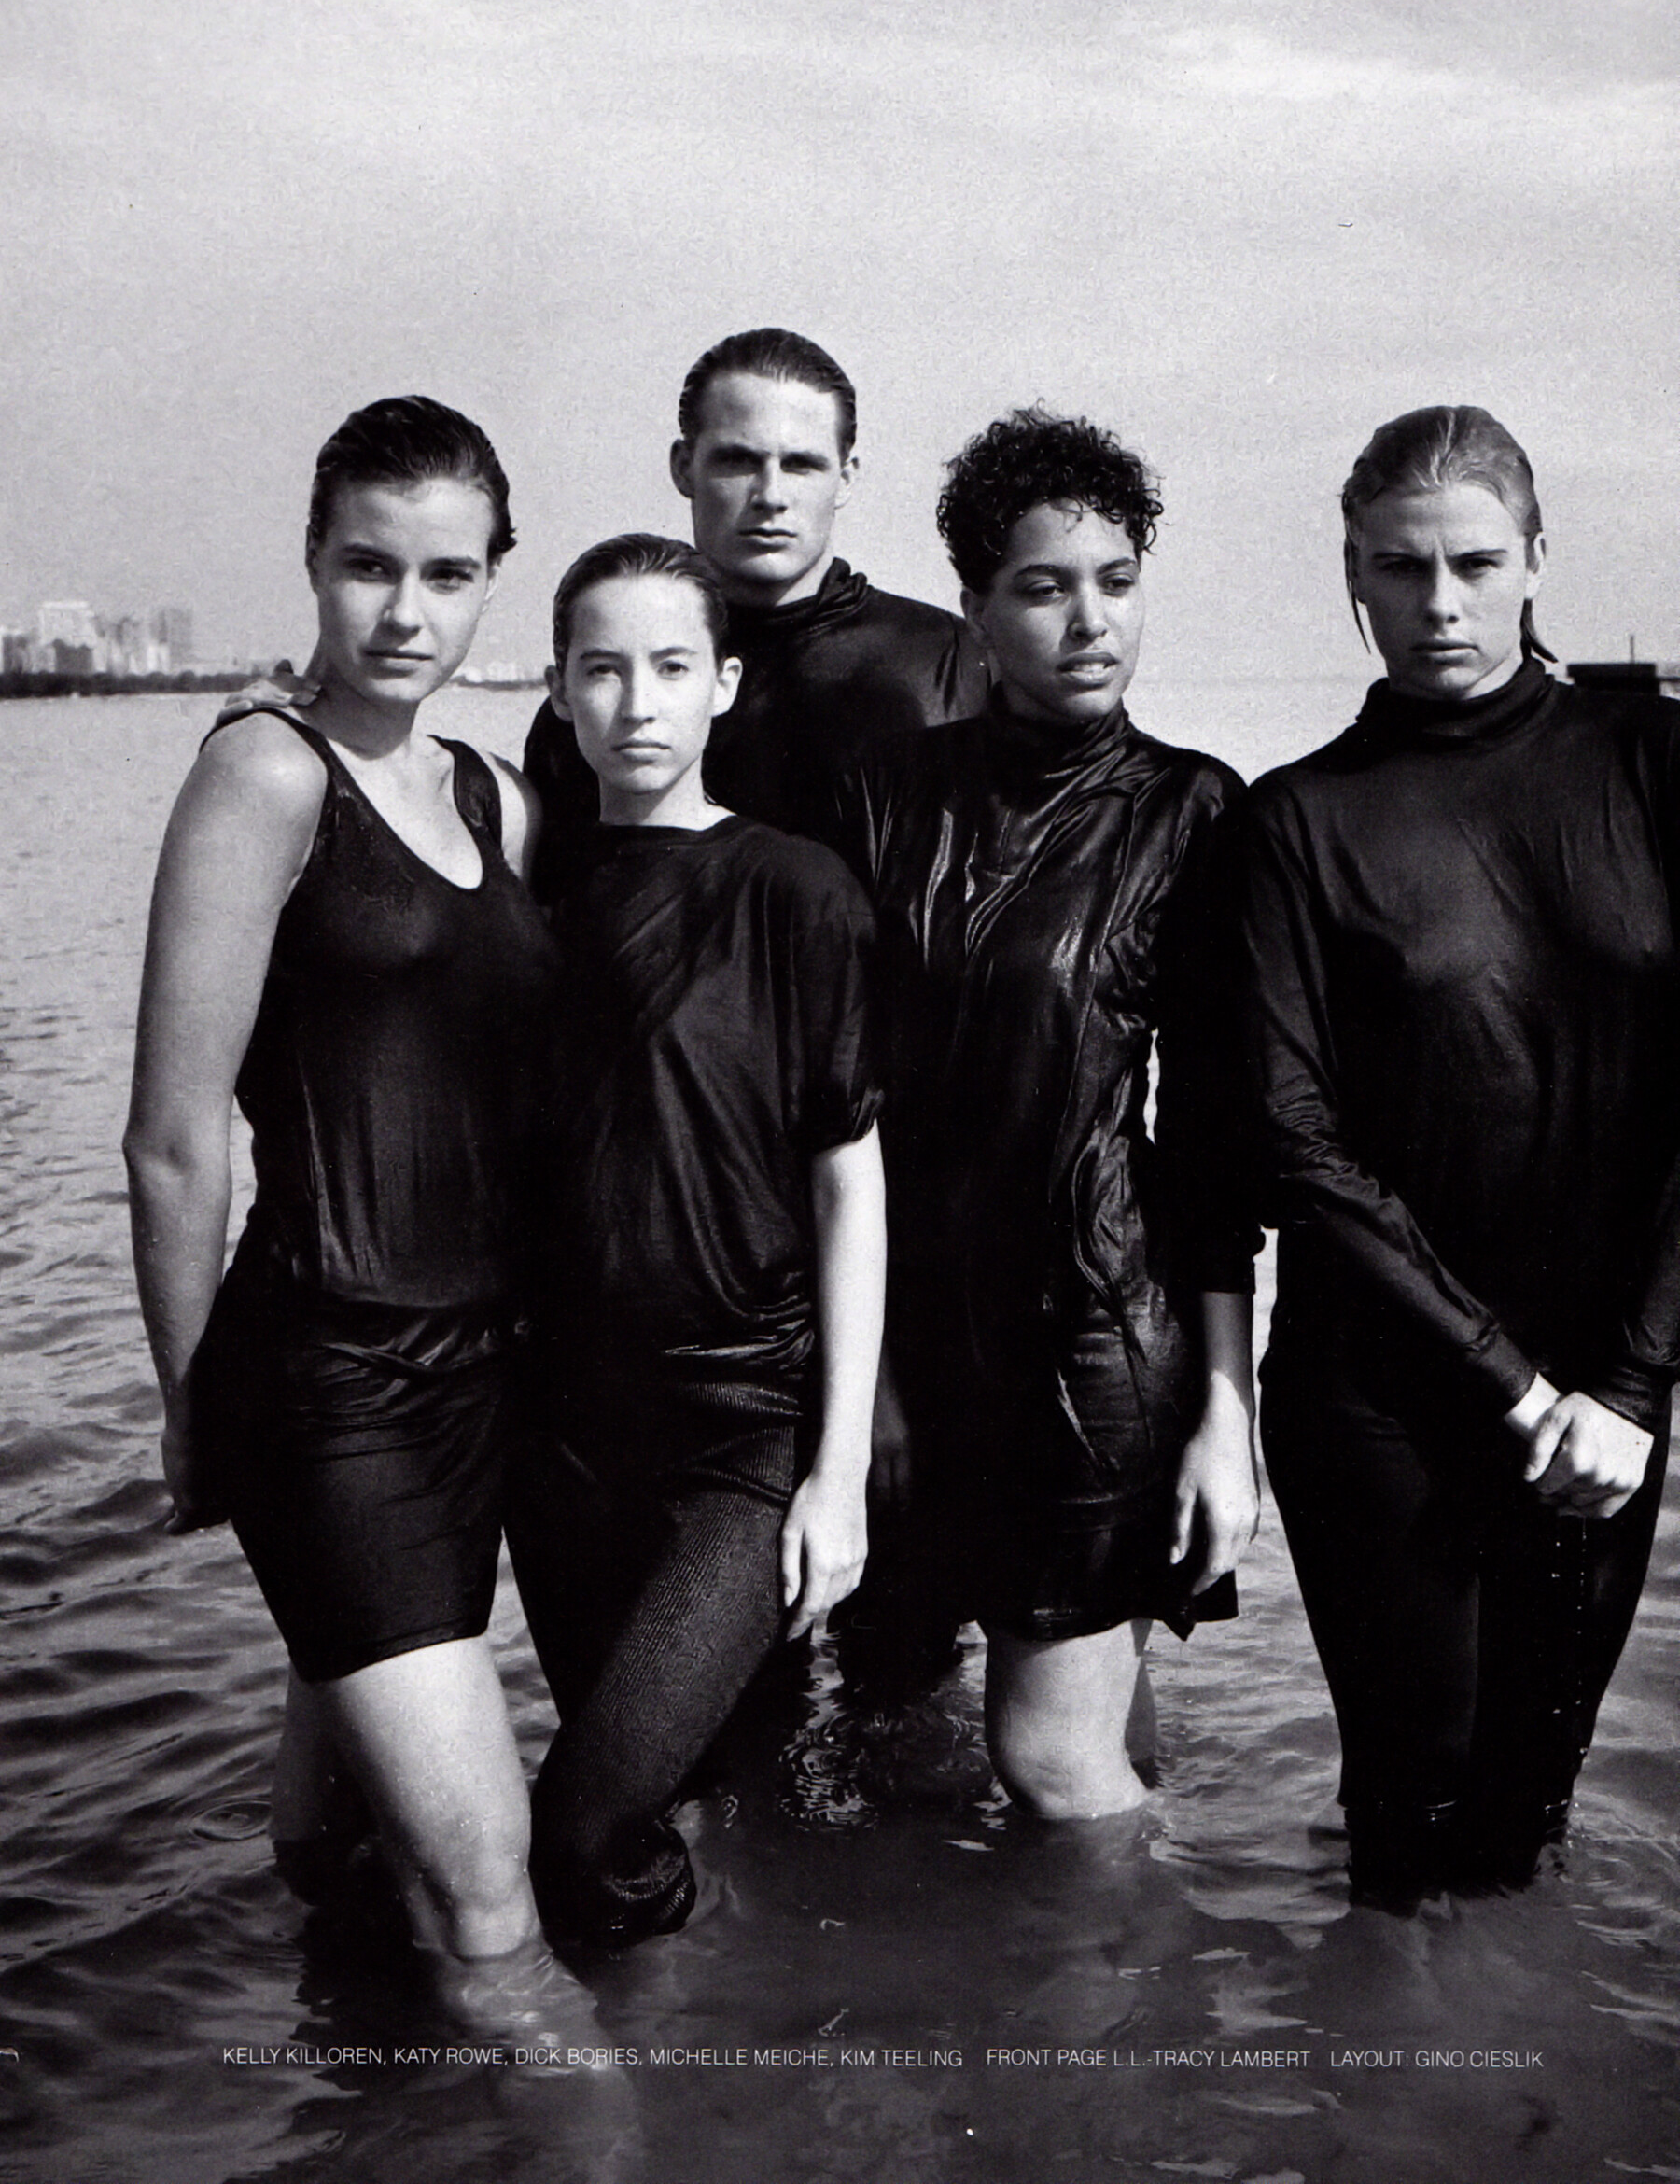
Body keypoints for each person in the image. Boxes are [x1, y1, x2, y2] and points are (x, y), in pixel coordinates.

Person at [124, 398, 589, 2037]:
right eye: (367, 566)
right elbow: (175, 1142)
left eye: (447, 574)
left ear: (492, 583)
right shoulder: (263, 774)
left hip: (478, 1375)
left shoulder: (497, 798)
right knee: (488, 1906)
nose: (405, 611)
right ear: (313, 564)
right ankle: (627, 2130)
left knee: (341, 1839)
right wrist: (193, 1403)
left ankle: (339, 2100)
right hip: (326, 1376)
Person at [1240, 405, 1676, 1903]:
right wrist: (1516, 1383)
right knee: (1407, 1816)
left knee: (1529, 1813)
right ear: (1352, 575)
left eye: (1476, 564)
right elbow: (1291, 1140)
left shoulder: (1653, 762)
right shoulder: (1297, 822)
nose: (1440, 604)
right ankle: (1377, 2038)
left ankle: (1507, 2042)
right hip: (1381, 1389)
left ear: (1538, 556)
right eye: (1400, 567)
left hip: (1604, 1393)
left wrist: (1632, 1382)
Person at [830, 409, 1259, 1817]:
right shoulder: (885, 799)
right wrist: (864, 1380)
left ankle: (1157, 1960)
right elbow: (831, 1104)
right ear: (973, 606)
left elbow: (1216, 1142)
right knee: (901, 1728)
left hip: (1094, 1334)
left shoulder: (1193, 811)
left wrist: (1229, 1414)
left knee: (1048, 1759)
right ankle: (1116, 1941)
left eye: (1117, 581)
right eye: (1044, 586)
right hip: (911, 1335)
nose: (1091, 621)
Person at [508, 533, 886, 1943]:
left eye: (671, 667)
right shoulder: (527, 892)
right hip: (560, 1434)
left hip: (739, 1430)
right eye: (601, 670)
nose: (637, 703)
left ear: (724, 683)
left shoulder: (797, 889)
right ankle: (707, 2044)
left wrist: (838, 1470)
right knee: (685, 1799)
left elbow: (850, 1187)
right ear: (559, 689)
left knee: (583, 1818)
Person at [521, 328, 987, 892]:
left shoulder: (950, 663)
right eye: (739, 461)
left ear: (846, 478)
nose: (770, 496)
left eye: (801, 464)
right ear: (683, 466)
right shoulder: (601, 704)